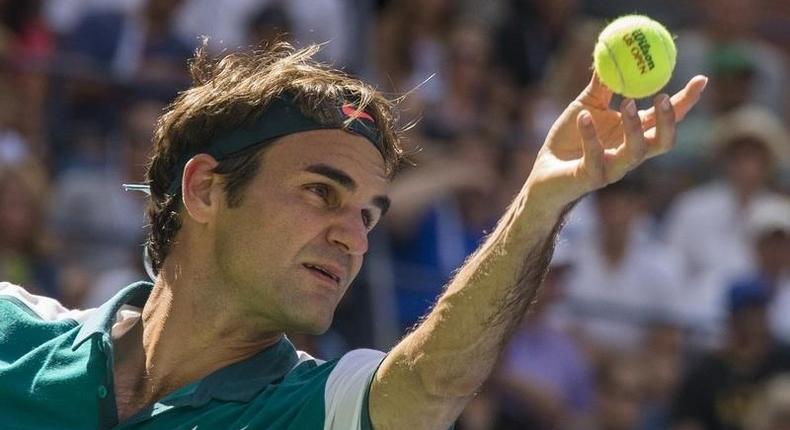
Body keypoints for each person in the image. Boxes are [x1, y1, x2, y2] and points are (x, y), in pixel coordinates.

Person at [0, 41, 707, 429]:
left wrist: (540, 201)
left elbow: (432, 383)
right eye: (322, 194)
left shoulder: (318, 408)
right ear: (206, 189)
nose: (353, 237)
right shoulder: (14, 333)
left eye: (369, 214)